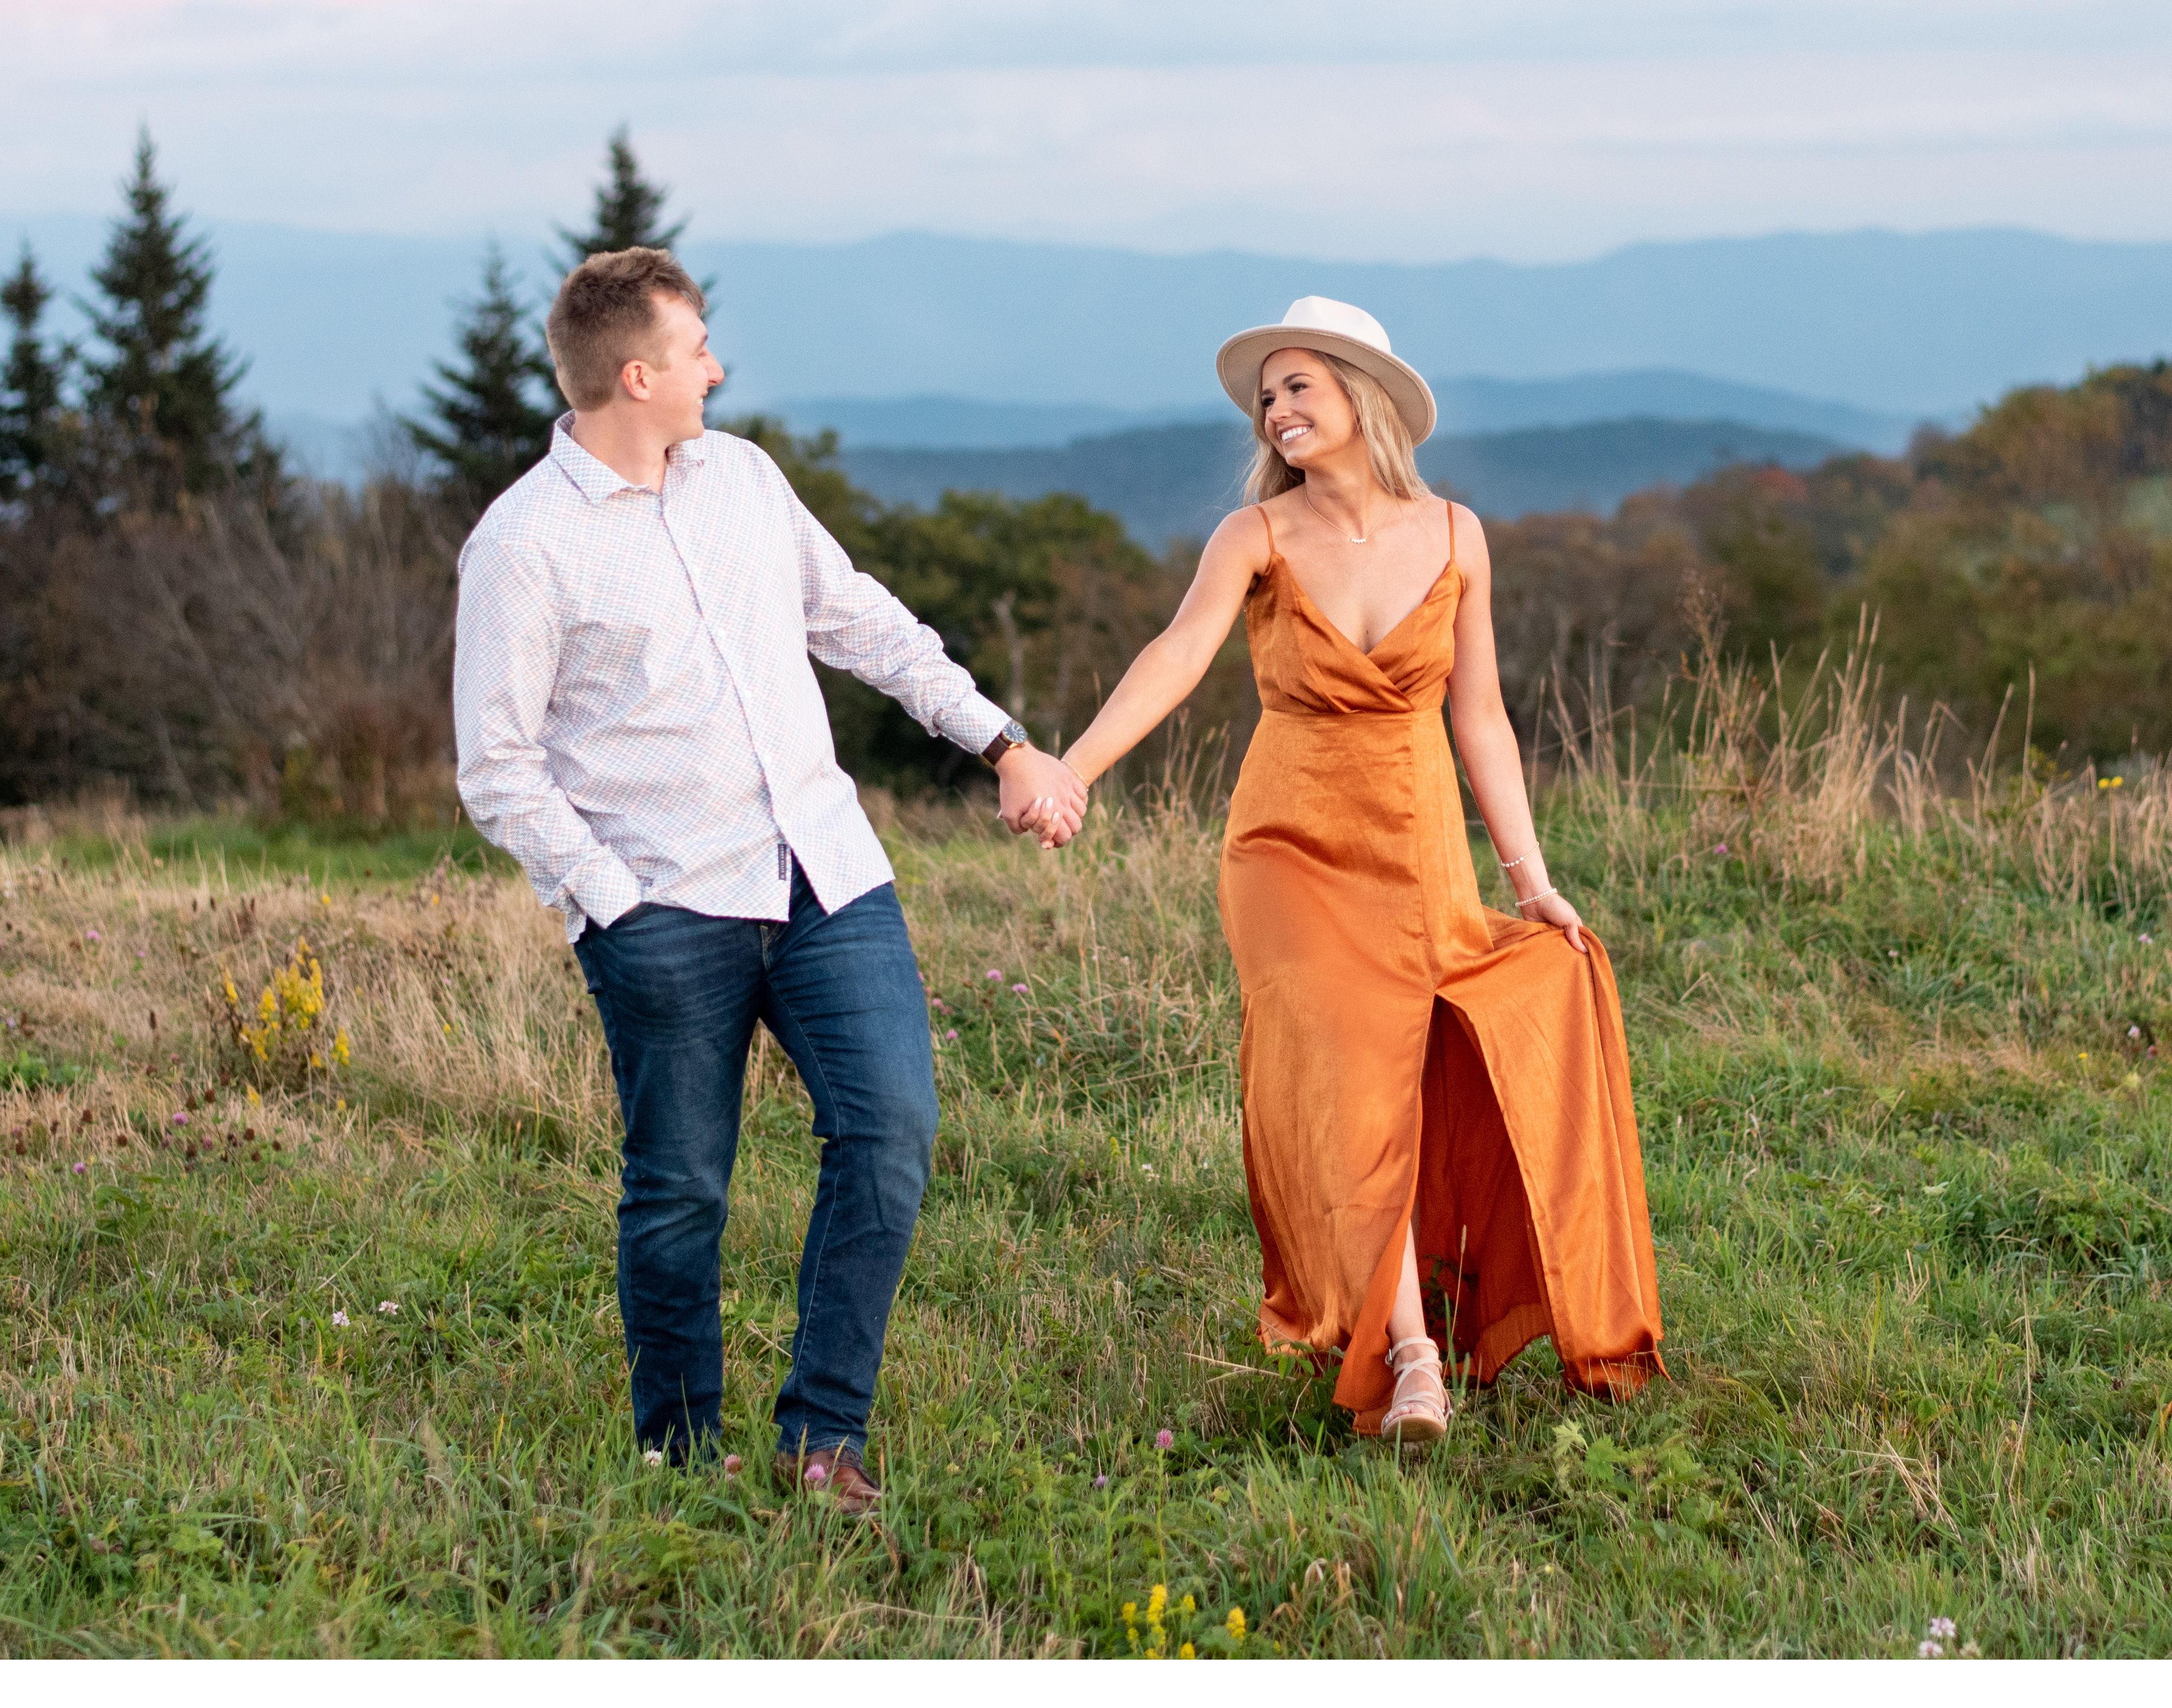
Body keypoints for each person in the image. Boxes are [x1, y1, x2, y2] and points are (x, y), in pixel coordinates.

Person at [451, 246, 1086, 1509]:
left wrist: (1001, 744)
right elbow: (498, 768)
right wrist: (613, 907)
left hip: (826, 877)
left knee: (893, 1128)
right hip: (665, 911)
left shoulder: (741, 478)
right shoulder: (523, 545)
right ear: (638, 375)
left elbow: (859, 621)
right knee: (682, 1188)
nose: (717, 370)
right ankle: (678, 1460)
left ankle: (821, 1440)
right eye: (697, 352)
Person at [1047, 296, 1663, 1443]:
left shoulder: (1456, 531)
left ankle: (1456, 1313)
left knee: (1448, 1052)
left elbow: (1480, 716)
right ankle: (1412, 1357)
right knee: (1340, 1076)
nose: (1276, 409)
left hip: (1416, 840)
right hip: (1288, 846)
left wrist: (1529, 880)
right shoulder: (1255, 538)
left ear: (1360, 396)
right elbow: (1176, 655)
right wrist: (1073, 769)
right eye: (1266, 395)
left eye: (1297, 386)